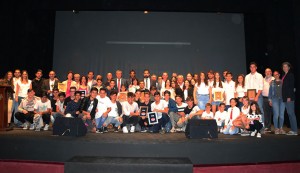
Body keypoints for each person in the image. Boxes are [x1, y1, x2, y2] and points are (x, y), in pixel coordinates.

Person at [281, 62, 298, 135]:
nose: (284, 68)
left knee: (291, 114)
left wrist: (289, 97)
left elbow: (291, 87)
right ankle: (293, 130)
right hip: (285, 97)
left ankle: (295, 130)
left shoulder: (290, 75)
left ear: (289, 67)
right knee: (289, 114)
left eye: (286, 66)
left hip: (289, 98)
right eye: (283, 66)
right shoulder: (284, 75)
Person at [269, 71, 286, 135]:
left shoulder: (283, 81)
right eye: (274, 75)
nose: (276, 75)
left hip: (282, 99)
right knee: (276, 114)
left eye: (277, 74)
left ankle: (281, 128)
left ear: (279, 75)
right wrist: (270, 100)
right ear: (273, 76)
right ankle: (276, 128)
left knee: (281, 115)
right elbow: (270, 92)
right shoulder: (272, 83)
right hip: (274, 99)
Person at [262, 68, 274, 133]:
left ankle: (278, 127)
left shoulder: (274, 79)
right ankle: (267, 127)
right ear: (265, 73)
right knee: (266, 113)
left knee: (274, 113)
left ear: (271, 72)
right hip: (264, 98)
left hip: (273, 99)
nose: (268, 72)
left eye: (269, 71)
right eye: (266, 72)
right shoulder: (262, 80)